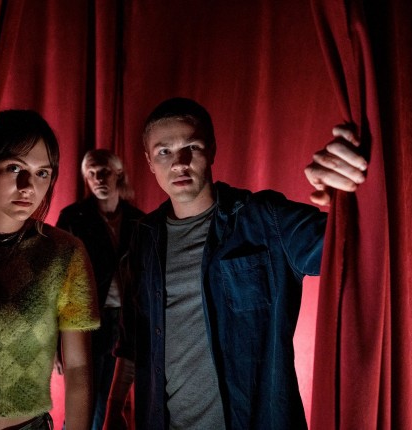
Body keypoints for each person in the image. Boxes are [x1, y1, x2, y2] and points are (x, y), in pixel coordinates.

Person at [103, 97, 368, 430]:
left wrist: (357, 186)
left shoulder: (266, 220)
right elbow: (132, 343)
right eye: (164, 152)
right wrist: (114, 408)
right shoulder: (143, 239)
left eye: (192, 147)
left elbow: (360, 250)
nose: (179, 163)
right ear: (149, 161)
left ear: (212, 150)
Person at [0, 110, 100, 430]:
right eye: (14, 167)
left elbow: (79, 367)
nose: (28, 186)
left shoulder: (63, 254)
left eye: (42, 173)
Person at [56, 149, 145, 430]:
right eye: (91, 173)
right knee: (85, 401)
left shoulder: (138, 220)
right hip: (86, 321)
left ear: (118, 172)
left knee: (112, 403)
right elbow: (58, 280)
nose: (98, 179)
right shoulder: (74, 217)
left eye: (104, 171)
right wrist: (55, 341)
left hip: (126, 319)